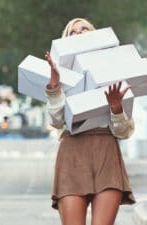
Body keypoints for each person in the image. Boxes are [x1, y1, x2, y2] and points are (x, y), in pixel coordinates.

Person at [45, 18, 136, 225]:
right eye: (73, 32)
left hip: (106, 152)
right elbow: (57, 122)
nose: (79, 34)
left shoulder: (114, 69)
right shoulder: (59, 73)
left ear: (95, 35)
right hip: (72, 153)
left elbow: (123, 132)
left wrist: (116, 107)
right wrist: (54, 87)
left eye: (84, 29)